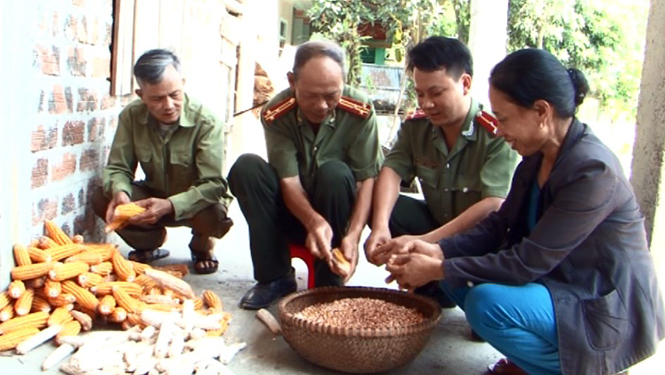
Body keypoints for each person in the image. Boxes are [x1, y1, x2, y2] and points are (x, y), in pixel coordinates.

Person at [382, 48, 665, 375]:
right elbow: (497, 225)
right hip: (557, 285)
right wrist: (435, 249)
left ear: (541, 111)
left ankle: (579, 367)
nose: (499, 131)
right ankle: (530, 362)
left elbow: (527, 262)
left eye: (503, 118)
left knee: (484, 303)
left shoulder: (593, 172)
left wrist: (437, 267)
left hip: (602, 303)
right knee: (453, 276)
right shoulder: (536, 157)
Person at [228, 40, 383, 310]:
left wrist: (354, 235)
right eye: (311, 95)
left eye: (332, 94)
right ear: (292, 82)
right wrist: (312, 222)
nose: (322, 105)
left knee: (335, 173)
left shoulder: (360, 111)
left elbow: (367, 178)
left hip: (338, 217)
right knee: (247, 168)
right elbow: (289, 182)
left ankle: (329, 281)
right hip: (292, 214)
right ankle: (274, 278)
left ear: (343, 82)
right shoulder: (277, 113)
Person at [365, 36, 517, 307]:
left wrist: (423, 242)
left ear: (465, 83)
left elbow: (493, 204)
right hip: (437, 224)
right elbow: (391, 170)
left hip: (480, 243)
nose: (426, 103)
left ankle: (454, 284)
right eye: (420, 93)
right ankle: (433, 287)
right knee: (381, 206)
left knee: (484, 310)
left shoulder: (495, 133)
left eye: (436, 93)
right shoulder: (417, 127)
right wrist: (380, 227)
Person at [92, 49, 234, 274]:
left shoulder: (206, 121)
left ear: (183, 84)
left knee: (215, 211)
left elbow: (213, 184)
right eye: (157, 98)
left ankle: (201, 247)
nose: (168, 105)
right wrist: (121, 195)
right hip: (152, 194)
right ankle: (148, 243)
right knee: (102, 196)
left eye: (175, 95)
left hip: (194, 201)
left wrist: (169, 205)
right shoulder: (131, 116)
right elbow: (119, 167)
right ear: (141, 95)